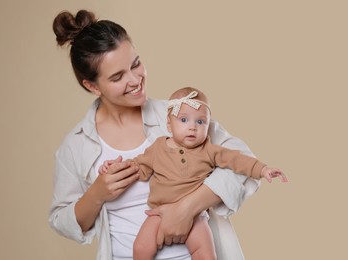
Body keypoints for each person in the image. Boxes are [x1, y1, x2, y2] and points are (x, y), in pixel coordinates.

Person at [49, 9, 263, 260]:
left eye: (136, 64)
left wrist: (187, 208)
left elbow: (242, 161)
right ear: (92, 86)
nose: (134, 80)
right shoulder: (75, 145)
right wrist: (97, 194)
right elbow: (61, 220)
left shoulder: (178, 115)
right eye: (118, 77)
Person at [99, 87, 288, 259]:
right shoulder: (158, 148)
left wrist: (263, 169)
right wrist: (115, 168)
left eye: (200, 121)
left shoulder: (209, 150)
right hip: (158, 214)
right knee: (140, 248)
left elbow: (237, 160)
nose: (192, 127)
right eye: (183, 120)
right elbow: (138, 166)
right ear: (169, 123)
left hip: (196, 217)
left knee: (206, 253)